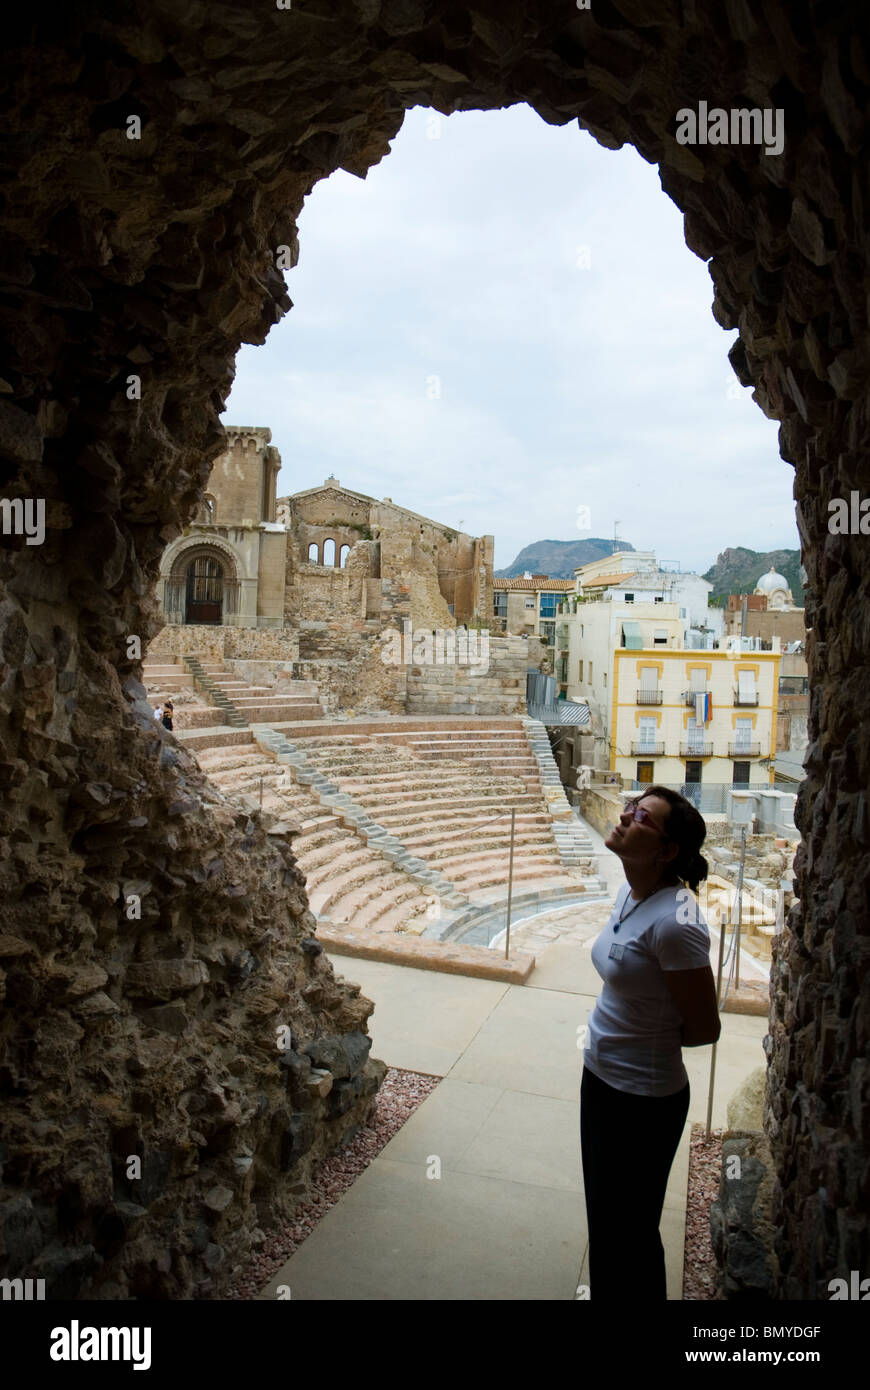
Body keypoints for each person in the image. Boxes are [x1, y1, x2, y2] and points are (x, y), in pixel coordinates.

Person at [580, 785, 720, 1301]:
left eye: (642, 816)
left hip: (642, 1098)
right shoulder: (630, 894)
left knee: (631, 1233)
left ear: (666, 851)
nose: (624, 815)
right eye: (630, 807)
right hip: (600, 1077)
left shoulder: (676, 922)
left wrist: (647, 1041)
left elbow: (704, 1028)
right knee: (606, 1222)